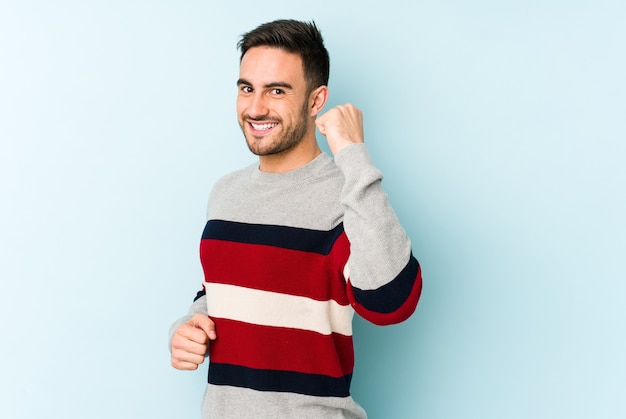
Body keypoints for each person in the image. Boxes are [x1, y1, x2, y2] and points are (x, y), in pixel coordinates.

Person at [169, 19, 423, 418]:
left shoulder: (350, 193)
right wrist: (189, 326)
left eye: (276, 91)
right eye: (246, 88)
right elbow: (220, 291)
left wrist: (352, 152)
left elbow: (391, 302)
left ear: (316, 100)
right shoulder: (225, 193)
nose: (255, 108)